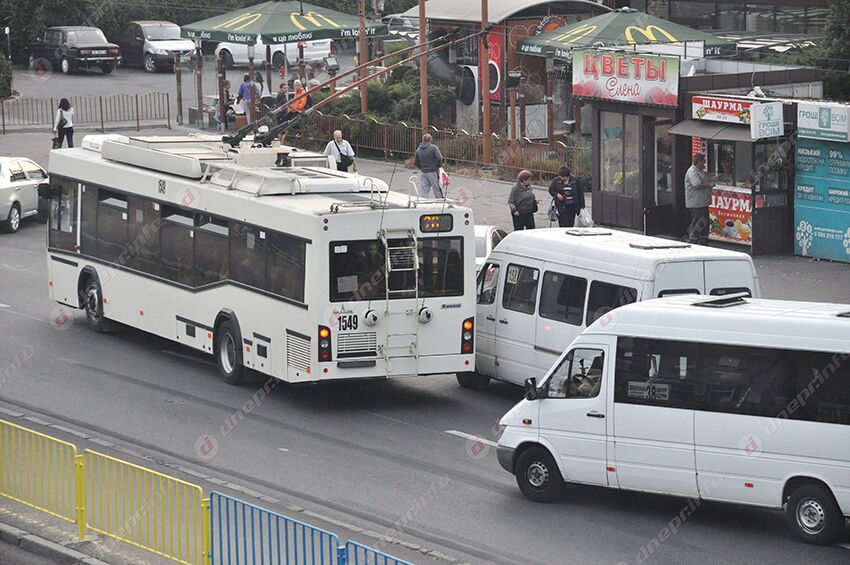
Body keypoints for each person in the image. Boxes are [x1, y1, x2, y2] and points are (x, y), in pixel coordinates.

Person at [685, 153, 716, 245]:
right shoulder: (692, 172)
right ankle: (693, 240)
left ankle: (703, 239)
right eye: (703, 162)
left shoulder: (701, 171)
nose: (704, 164)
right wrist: (708, 185)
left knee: (704, 222)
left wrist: (712, 178)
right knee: (697, 222)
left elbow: (706, 177)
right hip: (696, 203)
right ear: (698, 162)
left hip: (703, 202)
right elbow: (697, 185)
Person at [414, 134, 444, 198]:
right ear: (431, 140)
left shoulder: (418, 150)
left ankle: (422, 202)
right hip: (433, 171)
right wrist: (438, 166)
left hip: (423, 172)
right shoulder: (434, 148)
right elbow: (439, 158)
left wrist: (421, 167)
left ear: (422, 140)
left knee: (424, 189)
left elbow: (416, 162)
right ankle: (440, 201)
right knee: (437, 188)